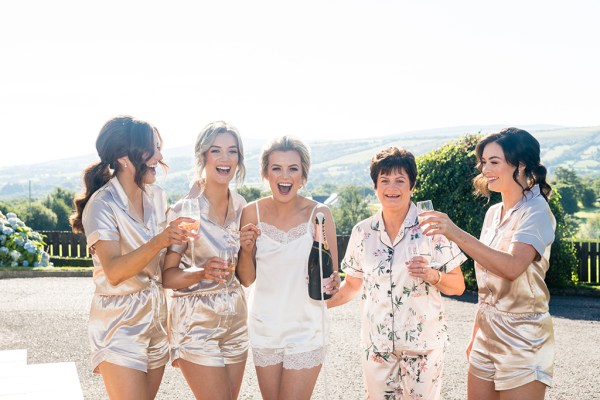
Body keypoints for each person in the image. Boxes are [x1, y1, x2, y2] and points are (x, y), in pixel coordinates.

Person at [418, 128, 556, 400]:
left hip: (524, 339)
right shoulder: (493, 213)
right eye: (483, 162)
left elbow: (512, 267)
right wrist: (476, 335)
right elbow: (489, 286)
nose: (485, 169)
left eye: (494, 162)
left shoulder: (537, 211)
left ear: (521, 164)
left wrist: (454, 232)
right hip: (486, 337)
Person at [70, 115, 195, 399]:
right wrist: (161, 240)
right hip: (119, 324)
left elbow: (160, 263)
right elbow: (114, 271)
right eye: (153, 148)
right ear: (124, 157)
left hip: (155, 319)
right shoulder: (102, 205)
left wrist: (183, 246)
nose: (160, 156)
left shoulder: (158, 197)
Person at [327, 146, 466, 400]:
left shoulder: (431, 227)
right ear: (376, 186)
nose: (392, 187)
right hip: (376, 348)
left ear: (412, 185)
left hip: (423, 347)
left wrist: (432, 275)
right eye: (385, 180)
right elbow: (352, 286)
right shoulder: (362, 232)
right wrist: (316, 306)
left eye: (400, 180)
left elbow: (458, 286)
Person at [237, 136, 340, 400]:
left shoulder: (320, 214)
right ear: (265, 173)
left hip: (306, 327)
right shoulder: (251, 213)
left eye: (293, 168)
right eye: (276, 168)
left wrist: (334, 282)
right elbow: (247, 279)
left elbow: (331, 277)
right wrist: (246, 250)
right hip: (265, 325)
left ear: (303, 174)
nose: (285, 176)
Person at [162, 121, 256, 400]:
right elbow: (167, 277)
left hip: (236, 319)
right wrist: (200, 272)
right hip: (195, 321)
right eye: (216, 150)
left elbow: (247, 279)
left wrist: (247, 250)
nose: (225, 159)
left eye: (232, 151)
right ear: (203, 156)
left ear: (239, 159)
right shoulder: (185, 210)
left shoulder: (243, 208)